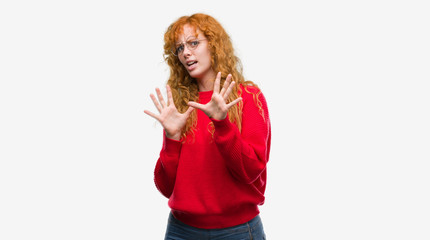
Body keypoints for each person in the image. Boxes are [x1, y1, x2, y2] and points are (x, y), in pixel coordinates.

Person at [144, 13, 271, 240]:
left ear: (214, 44)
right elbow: (164, 187)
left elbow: (251, 171)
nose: (186, 52)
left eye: (193, 43)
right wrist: (171, 138)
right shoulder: (182, 104)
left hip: (238, 231)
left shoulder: (248, 97)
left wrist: (222, 123)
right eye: (180, 47)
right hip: (181, 230)